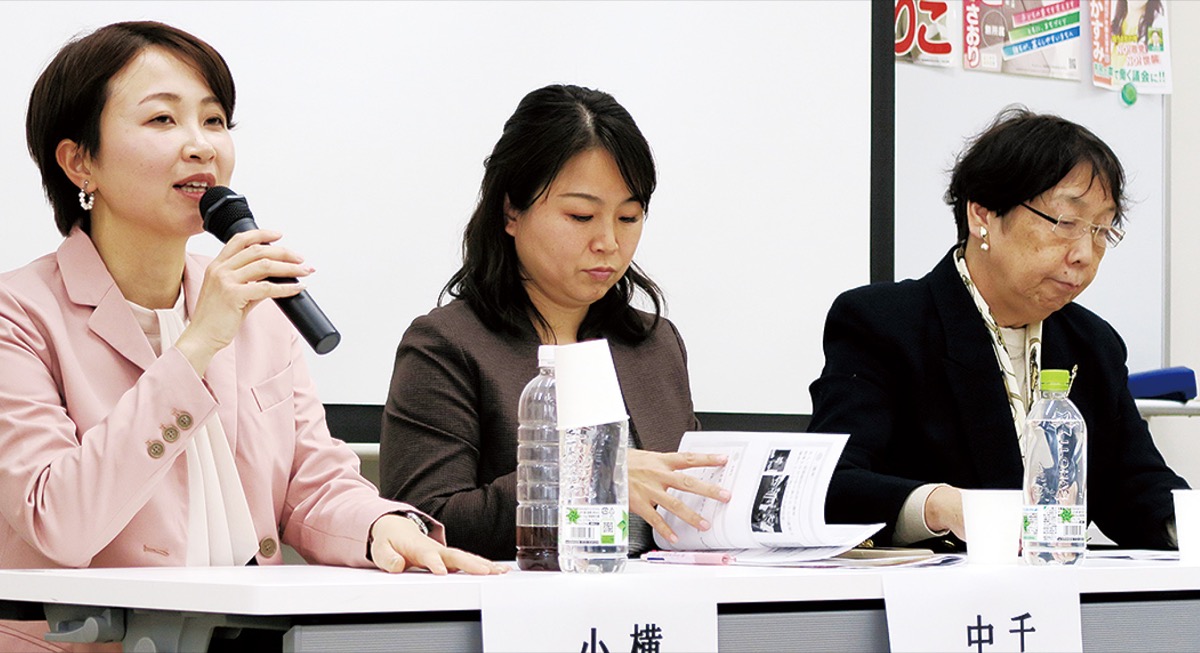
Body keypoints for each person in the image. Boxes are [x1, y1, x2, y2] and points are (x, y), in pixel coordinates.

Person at [1, 20, 508, 650]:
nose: (201, 146)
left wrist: (381, 528)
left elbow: (312, 482)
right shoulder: (19, 315)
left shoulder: (256, 308)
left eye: (214, 121)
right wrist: (196, 346)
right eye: (162, 119)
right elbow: (59, 520)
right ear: (80, 161)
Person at [808, 106, 1188, 552]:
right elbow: (831, 484)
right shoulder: (884, 323)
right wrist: (937, 506)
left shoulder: (1091, 343)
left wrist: (1182, 523)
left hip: (1055, 585)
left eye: (1102, 230)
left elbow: (1137, 486)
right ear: (982, 215)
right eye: (1066, 223)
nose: (1085, 254)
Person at [379, 84, 729, 561]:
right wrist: (596, 474)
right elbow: (425, 522)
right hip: (515, 604)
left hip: (654, 598)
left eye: (629, 217)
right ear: (511, 211)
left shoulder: (655, 344)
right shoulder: (446, 345)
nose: (608, 241)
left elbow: (685, 507)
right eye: (581, 216)